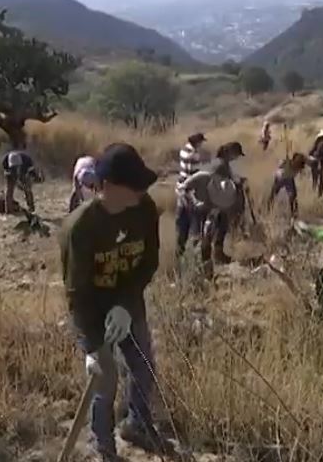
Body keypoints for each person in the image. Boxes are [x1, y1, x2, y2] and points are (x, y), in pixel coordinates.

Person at [59, 142, 174, 462]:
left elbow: (148, 261)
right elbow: (76, 293)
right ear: (107, 187)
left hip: (128, 304)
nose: (141, 192)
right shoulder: (79, 228)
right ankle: (104, 447)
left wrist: (126, 302)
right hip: (93, 311)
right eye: (133, 187)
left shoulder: (144, 209)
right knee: (105, 380)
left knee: (142, 366)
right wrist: (93, 346)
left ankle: (137, 424)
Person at [178, 142, 245, 273]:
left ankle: (208, 264)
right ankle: (189, 268)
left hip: (206, 203)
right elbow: (185, 187)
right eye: (235, 155)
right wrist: (195, 202)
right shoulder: (215, 169)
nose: (236, 158)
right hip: (193, 204)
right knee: (196, 237)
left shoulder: (221, 167)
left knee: (209, 233)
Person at [175, 133, 210, 256]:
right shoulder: (194, 155)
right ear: (197, 142)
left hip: (180, 191)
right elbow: (193, 176)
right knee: (196, 225)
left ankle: (179, 254)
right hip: (190, 194)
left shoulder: (183, 150)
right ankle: (197, 257)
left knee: (181, 226)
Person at [267, 153, 308, 218]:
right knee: (274, 195)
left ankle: (293, 215)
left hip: (287, 178)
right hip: (281, 178)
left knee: (292, 197)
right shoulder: (287, 163)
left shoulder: (297, 164)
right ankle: (268, 210)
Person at [2, 148, 40, 214]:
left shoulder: (27, 161)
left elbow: (32, 173)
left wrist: (35, 178)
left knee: (27, 188)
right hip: (10, 173)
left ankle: (31, 207)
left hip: (24, 173)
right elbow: (7, 172)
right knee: (9, 189)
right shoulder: (5, 161)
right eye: (13, 168)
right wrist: (15, 181)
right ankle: (8, 210)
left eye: (16, 168)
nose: (15, 170)